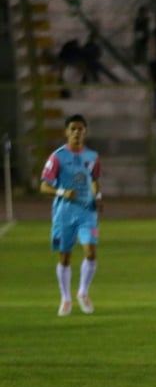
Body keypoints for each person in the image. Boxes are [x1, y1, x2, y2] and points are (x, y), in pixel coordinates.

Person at [39, 114, 103, 317]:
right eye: (73, 129)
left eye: (81, 129)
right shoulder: (57, 157)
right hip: (64, 213)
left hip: (87, 211)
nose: (77, 132)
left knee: (91, 251)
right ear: (66, 132)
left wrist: (98, 196)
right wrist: (62, 192)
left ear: (85, 132)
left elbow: (94, 179)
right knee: (65, 257)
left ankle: (83, 293)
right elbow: (43, 186)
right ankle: (65, 298)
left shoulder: (92, 157)